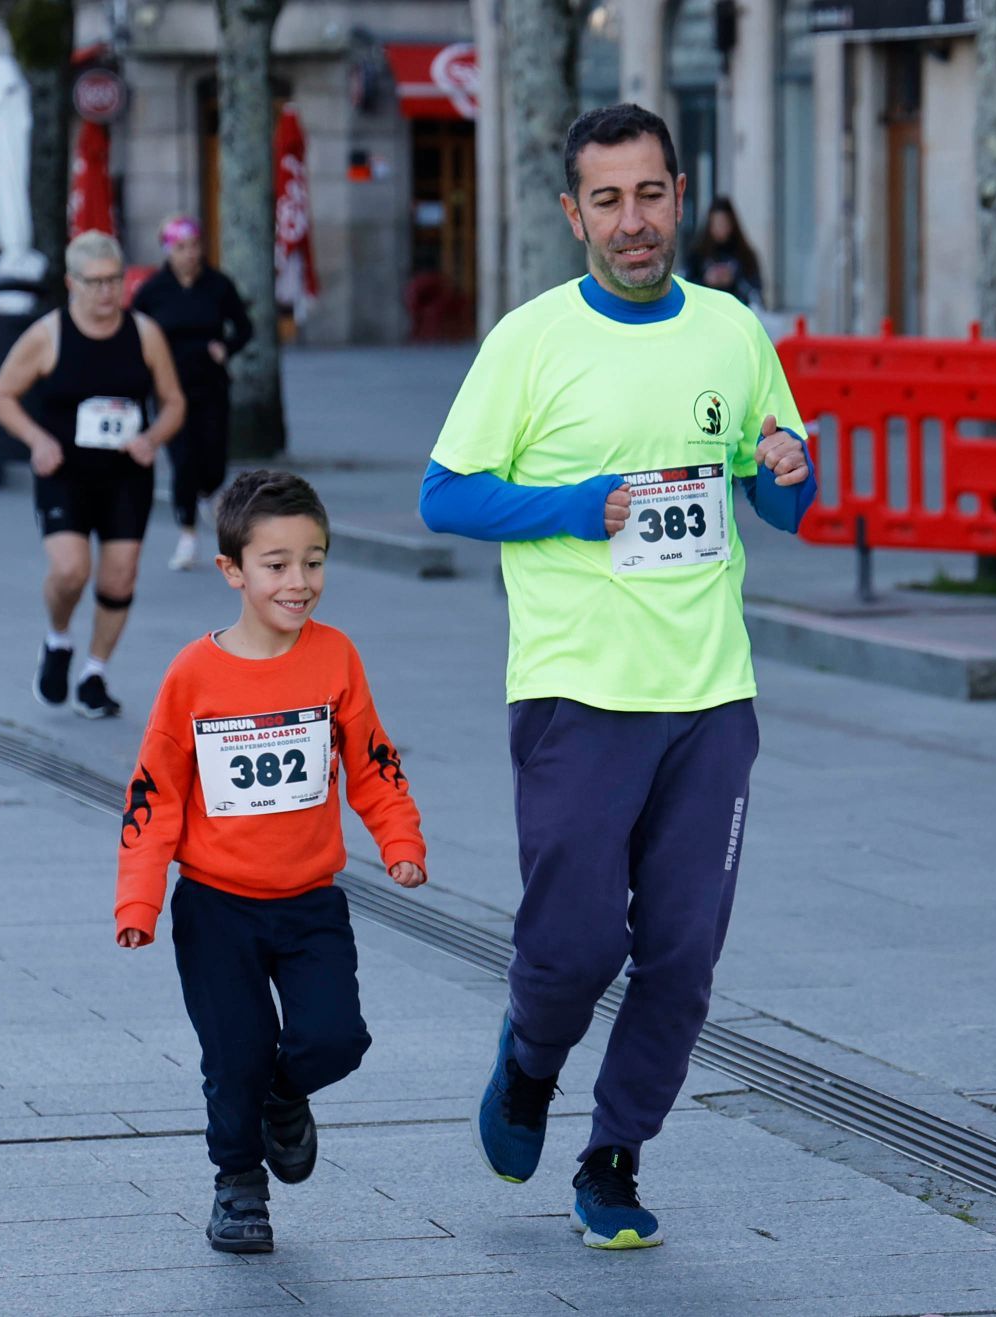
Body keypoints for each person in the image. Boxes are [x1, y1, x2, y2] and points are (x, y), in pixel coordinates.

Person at [418, 104, 814, 1251]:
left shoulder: (733, 331)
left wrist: (789, 463)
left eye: (650, 195)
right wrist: (573, 510)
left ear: (679, 195)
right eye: (608, 200)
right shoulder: (532, 341)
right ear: (573, 214)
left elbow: (777, 493)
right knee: (577, 946)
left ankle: (614, 1156)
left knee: (683, 956)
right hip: (578, 694)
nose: (632, 222)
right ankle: (530, 1059)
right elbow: (447, 494)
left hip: (710, 697)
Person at [114, 469, 428, 1254]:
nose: (300, 581)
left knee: (335, 1038)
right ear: (233, 570)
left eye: (314, 561)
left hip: (310, 900)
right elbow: (155, 790)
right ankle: (238, 1185)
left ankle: (285, 1098)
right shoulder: (193, 674)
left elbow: (374, 760)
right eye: (278, 563)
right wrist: (138, 901)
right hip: (215, 905)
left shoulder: (336, 658)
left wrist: (400, 840)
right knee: (235, 1051)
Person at [0, 231, 187, 718]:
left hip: (125, 474)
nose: (105, 292)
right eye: (94, 282)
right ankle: (58, 640)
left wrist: (153, 437)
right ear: (71, 283)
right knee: (71, 569)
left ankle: (95, 673)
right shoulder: (48, 335)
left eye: (114, 280)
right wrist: (38, 440)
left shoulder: (144, 333)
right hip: (65, 472)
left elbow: (174, 401)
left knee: (120, 578)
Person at [131, 216, 253, 571]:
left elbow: (245, 327)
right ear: (168, 250)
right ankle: (187, 536)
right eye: (181, 248)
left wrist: (226, 348)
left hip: (211, 385)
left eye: (195, 246)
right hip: (170, 389)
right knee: (183, 461)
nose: (189, 254)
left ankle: (206, 495)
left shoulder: (217, 285)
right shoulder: (154, 290)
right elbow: (132, 331)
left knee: (213, 461)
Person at [685, 196, 764, 308]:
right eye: (716, 224)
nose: (720, 228)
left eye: (723, 223)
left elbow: (755, 293)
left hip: (736, 313)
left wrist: (734, 280)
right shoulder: (697, 255)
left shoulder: (745, 255)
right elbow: (686, 289)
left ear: (732, 224)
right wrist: (705, 281)